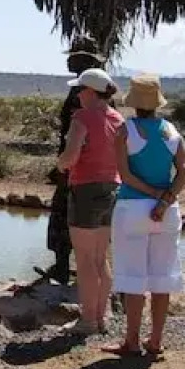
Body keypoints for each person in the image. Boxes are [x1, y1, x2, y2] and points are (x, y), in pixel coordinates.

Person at [106, 73, 185, 358]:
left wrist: (154, 196)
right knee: (161, 276)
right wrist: (165, 199)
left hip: (133, 209)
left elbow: (125, 175)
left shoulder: (125, 130)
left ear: (133, 102)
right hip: (166, 213)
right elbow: (184, 171)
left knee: (133, 277)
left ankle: (131, 340)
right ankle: (155, 340)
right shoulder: (172, 131)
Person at [55, 67, 123, 337]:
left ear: (90, 92)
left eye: (80, 89)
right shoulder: (117, 118)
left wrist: (60, 165)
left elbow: (70, 157)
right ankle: (101, 315)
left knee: (83, 259)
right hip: (112, 189)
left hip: (85, 190)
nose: (77, 94)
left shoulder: (82, 117)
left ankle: (87, 320)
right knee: (100, 256)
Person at [44, 37, 106, 284]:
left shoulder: (84, 93)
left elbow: (80, 135)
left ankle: (65, 268)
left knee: (65, 213)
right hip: (88, 166)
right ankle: (84, 271)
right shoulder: (95, 91)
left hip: (78, 166)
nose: (69, 59)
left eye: (74, 56)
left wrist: (65, 166)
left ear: (86, 60)